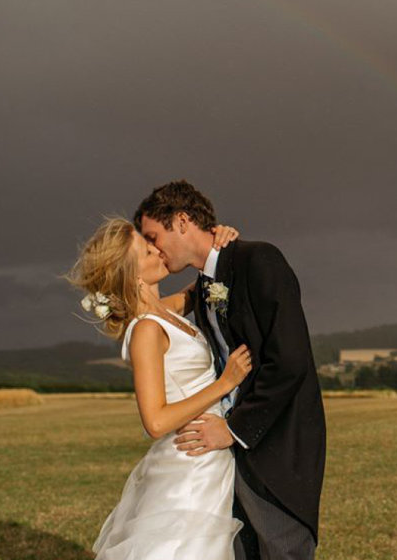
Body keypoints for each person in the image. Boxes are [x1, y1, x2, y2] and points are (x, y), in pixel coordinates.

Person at [133, 180, 327, 560]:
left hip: (274, 445)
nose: (154, 248)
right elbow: (147, 314)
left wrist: (234, 429)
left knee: (281, 550)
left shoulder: (260, 261)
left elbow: (290, 361)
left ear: (183, 221)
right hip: (222, 457)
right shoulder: (204, 285)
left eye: (154, 236)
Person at [67, 217, 250, 559]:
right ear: (130, 273)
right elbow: (155, 422)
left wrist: (221, 242)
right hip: (189, 468)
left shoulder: (165, 312)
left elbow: (204, 285)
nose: (156, 248)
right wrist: (226, 383)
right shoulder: (146, 331)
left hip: (210, 457)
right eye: (145, 248)